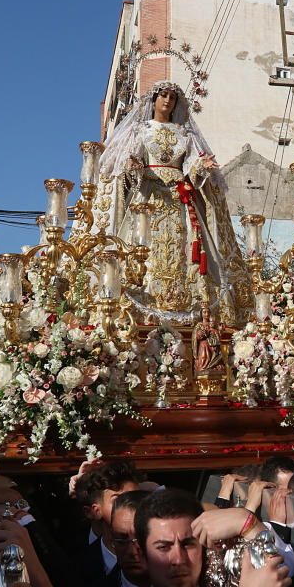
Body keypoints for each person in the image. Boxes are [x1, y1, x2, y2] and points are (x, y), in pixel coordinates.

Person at [98, 79, 252, 323]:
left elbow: (190, 166)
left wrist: (202, 167)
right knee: (143, 246)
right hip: (149, 197)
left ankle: (194, 310)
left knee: (187, 247)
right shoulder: (141, 130)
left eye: (172, 97)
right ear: (155, 99)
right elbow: (129, 163)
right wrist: (134, 166)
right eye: (164, 95)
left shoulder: (184, 133)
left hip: (180, 198)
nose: (168, 100)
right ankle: (140, 304)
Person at [112, 488, 294, 587]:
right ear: (144, 555)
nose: (178, 559)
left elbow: (284, 584)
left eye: (188, 544)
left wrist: (251, 527)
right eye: (163, 547)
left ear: (203, 547)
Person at [192, 305, 222, 373]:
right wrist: (201, 333)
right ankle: (204, 367)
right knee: (204, 350)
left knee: (217, 353)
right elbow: (195, 336)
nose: (206, 314)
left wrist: (220, 330)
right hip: (204, 344)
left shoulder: (213, 323)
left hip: (214, 344)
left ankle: (212, 366)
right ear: (201, 314)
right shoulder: (199, 325)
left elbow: (218, 334)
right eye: (204, 312)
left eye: (208, 312)